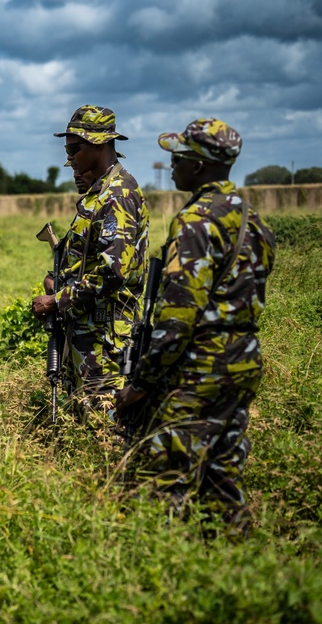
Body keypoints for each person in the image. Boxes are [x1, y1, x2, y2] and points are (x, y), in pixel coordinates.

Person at [115, 118, 275, 533]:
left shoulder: (195, 222)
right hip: (243, 362)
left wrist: (142, 383)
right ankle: (232, 557)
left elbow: (177, 318)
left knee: (161, 479)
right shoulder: (252, 219)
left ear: (199, 167)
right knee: (222, 476)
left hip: (200, 368)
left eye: (179, 157)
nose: (171, 165)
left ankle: (159, 569)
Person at [32, 105, 149, 418]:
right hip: (88, 333)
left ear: (98, 144)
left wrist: (57, 300)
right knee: (83, 419)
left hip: (106, 339)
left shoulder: (118, 195)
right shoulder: (98, 194)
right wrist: (59, 281)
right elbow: (90, 262)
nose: (68, 157)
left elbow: (114, 272)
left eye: (74, 148)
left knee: (105, 424)